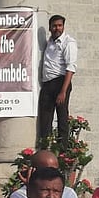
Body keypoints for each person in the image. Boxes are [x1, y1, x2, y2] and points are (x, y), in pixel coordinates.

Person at [37, 15, 77, 144]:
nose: (57, 28)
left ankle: (63, 150)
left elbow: (70, 68)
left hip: (61, 82)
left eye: (59, 25)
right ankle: (45, 148)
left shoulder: (68, 42)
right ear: (50, 27)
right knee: (45, 119)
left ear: (63, 26)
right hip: (48, 83)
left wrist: (63, 91)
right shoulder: (50, 42)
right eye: (54, 26)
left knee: (62, 117)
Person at [8, 149, 81, 198]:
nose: (51, 196)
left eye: (56, 191)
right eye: (45, 190)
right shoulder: (19, 196)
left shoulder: (69, 193)